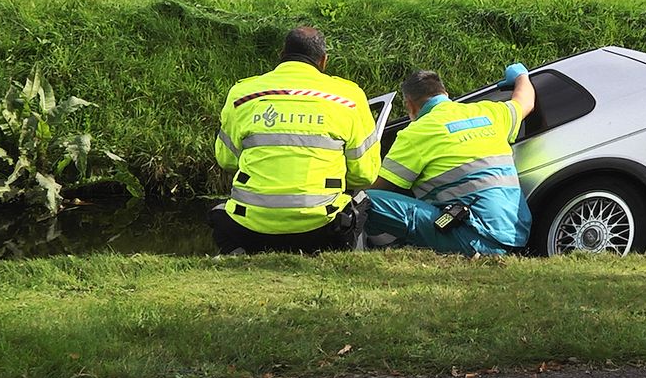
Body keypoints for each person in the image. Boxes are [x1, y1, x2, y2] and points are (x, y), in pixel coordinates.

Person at [209, 26, 380, 254]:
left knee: (222, 211)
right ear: (323, 61)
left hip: (251, 228)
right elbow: (364, 174)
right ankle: (341, 256)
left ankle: (241, 251)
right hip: (321, 229)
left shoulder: (242, 95)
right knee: (362, 199)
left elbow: (227, 160)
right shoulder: (348, 98)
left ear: (281, 56)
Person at [365, 63, 536, 255]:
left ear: (409, 104)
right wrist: (521, 75)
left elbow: (376, 188)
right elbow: (526, 101)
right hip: (517, 237)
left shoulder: (416, 133)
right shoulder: (489, 113)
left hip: (472, 236)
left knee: (363, 202)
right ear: (445, 93)